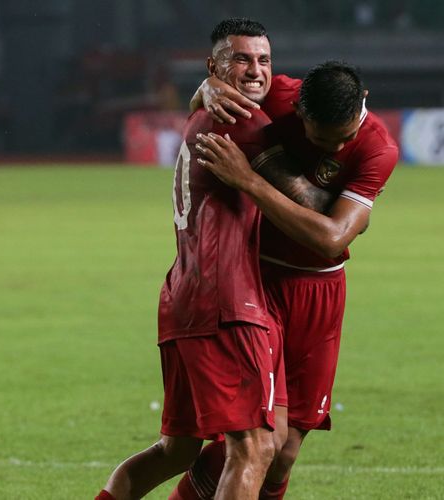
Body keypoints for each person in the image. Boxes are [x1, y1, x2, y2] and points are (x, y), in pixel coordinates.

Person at [96, 18, 332, 500]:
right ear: (214, 66)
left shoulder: (205, 112)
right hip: (229, 305)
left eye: (263, 60)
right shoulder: (243, 120)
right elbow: (314, 208)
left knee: (176, 451)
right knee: (255, 446)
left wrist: (203, 91)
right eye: (240, 59)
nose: (254, 70)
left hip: (183, 297)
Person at [170, 61, 399, 499]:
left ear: (363, 101)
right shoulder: (277, 94)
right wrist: (208, 84)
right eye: (319, 139)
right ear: (297, 107)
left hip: (321, 290)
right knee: (261, 439)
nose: (334, 149)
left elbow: (332, 238)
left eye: (344, 138)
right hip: (259, 282)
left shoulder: (377, 148)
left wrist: (248, 180)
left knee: (287, 450)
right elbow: (213, 96)